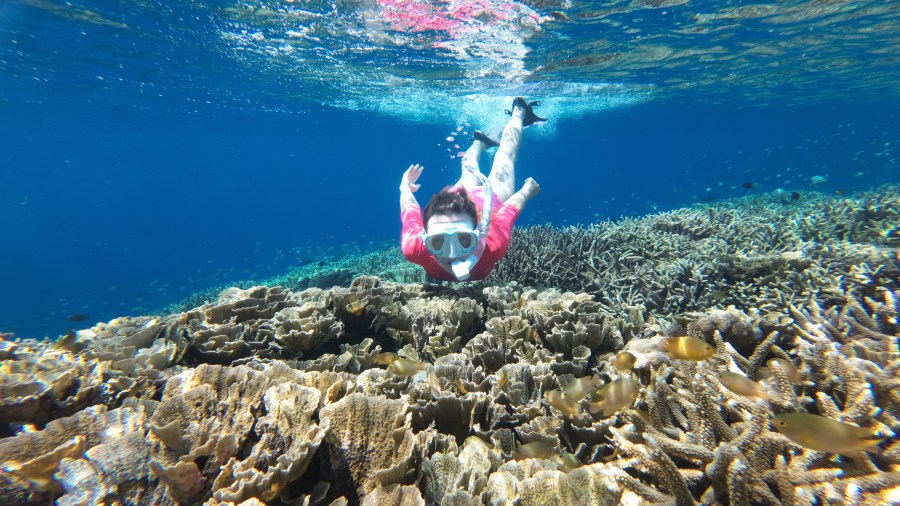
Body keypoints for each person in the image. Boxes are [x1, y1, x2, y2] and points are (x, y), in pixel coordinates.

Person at [399, 97, 544, 281]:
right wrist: (525, 191)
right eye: (437, 242)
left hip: (483, 202)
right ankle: (488, 134)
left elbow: (409, 208)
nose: (452, 255)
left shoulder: (490, 244)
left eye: (464, 240)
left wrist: (404, 187)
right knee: (493, 163)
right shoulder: (494, 245)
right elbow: (512, 208)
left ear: (479, 233)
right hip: (463, 199)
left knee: (502, 159)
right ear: (424, 237)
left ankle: (511, 117)